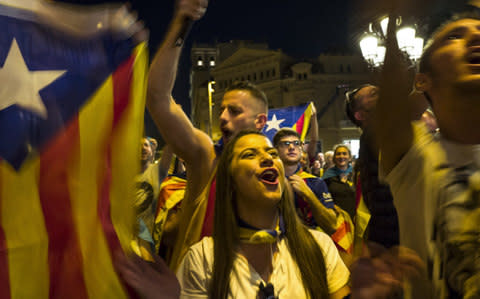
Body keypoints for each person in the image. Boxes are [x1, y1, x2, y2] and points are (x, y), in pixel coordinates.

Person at [146, 0, 268, 269]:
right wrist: (181, 23)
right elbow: (157, 99)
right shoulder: (207, 156)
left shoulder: (275, 171)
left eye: (234, 111)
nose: (222, 117)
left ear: (261, 121)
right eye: (222, 109)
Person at [376, 10, 480, 299]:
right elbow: (392, 112)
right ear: (422, 82)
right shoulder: (416, 156)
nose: (476, 36)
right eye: (455, 36)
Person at [177, 130, 350, 298]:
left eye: (273, 154)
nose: (268, 158)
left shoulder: (319, 246)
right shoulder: (202, 259)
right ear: (230, 180)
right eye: (249, 155)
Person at [345, 84, 400, 249]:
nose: (374, 89)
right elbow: (381, 198)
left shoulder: (384, 133)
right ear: (360, 115)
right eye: (370, 94)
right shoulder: (373, 136)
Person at [273, 128, 337, 234]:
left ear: (301, 148)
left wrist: (308, 194)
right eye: (286, 143)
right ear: (276, 149)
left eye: (296, 143)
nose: (291, 147)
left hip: (309, 241)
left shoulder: (315, 182)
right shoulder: (268, 181)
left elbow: (332, 225)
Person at [323, 145, 356, 220]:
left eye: (344, 154)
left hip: (355, 218)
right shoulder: (327, 177)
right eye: (338, 154)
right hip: (336, 218)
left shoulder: (356, 175)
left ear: (350, 157)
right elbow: (323, 197)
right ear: (334, 158)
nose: (341, 156)